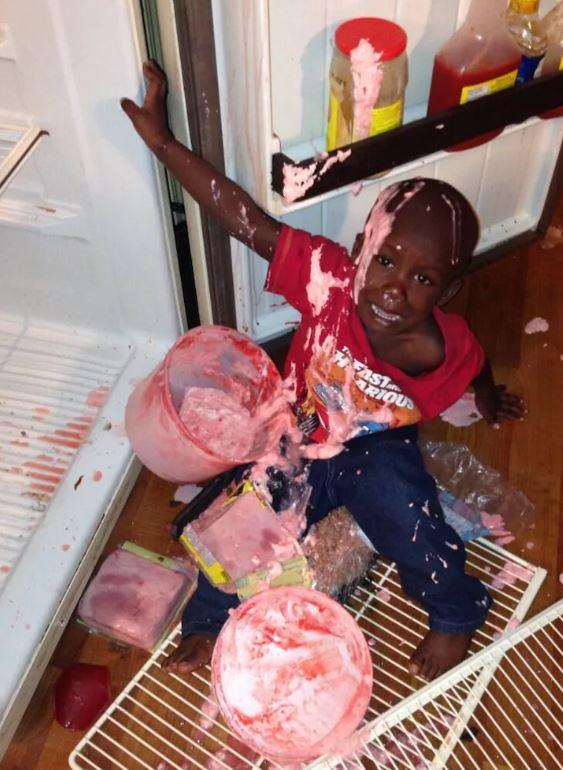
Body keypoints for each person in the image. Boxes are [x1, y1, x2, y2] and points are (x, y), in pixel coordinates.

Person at [121, 61, 525, 681]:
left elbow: (478, 364)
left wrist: (490, 398)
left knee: (411, 520)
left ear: (450, 288)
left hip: (377, 446)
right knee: (240, 520)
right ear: (360, 250)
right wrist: (162, 142)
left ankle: (455, 611)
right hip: (299, 431)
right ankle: (205, 621)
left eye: (423, 278)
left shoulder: (444, 346)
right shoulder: (328, 278)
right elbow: (244, 219)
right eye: (386, 260)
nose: (395, 289)